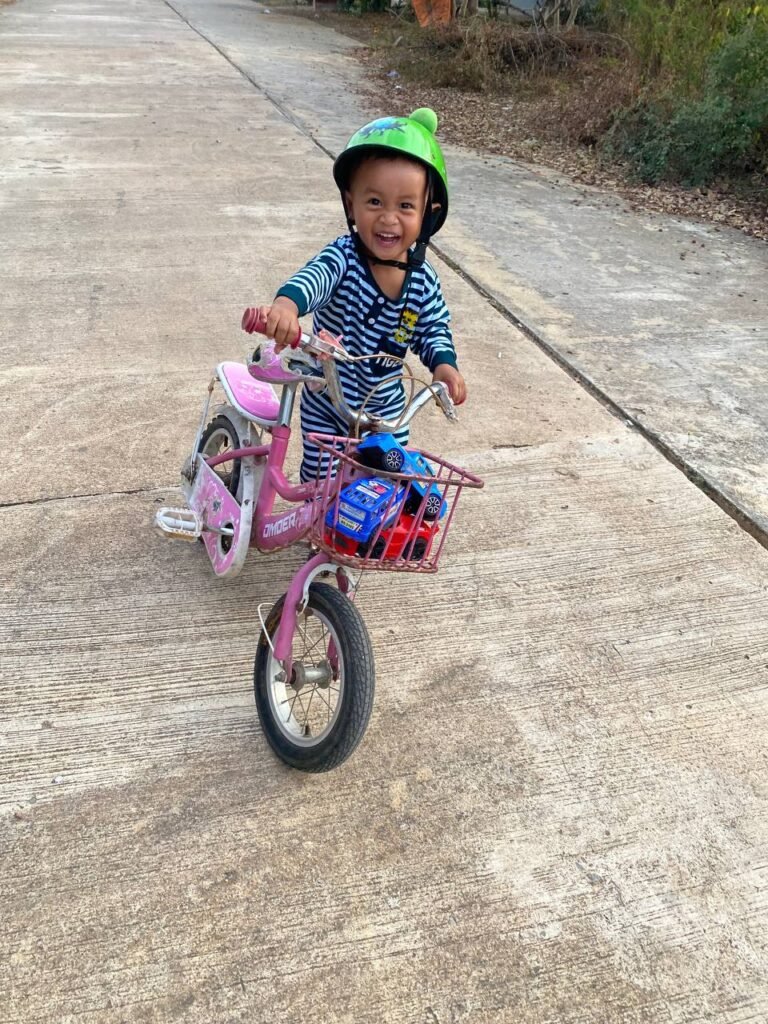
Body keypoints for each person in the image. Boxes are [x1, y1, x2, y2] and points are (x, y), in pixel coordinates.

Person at [254, 107, 467, 482]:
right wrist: (287, 305)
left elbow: (433, 328)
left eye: (405, 206)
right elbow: (315, 278)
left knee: (391, 485)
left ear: (428, 215)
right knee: (322, 487)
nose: (388, 218)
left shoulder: (423, 282)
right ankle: (319, 537)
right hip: (329, 403)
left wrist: (443, 365)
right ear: (351, 204)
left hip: (386, 413)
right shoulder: (344, 259)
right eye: (374, 202)